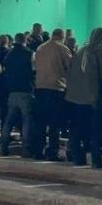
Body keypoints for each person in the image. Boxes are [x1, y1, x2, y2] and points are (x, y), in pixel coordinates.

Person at [64, 27, 102, 168]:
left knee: (77, 128)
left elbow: (71, 73)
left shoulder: (81, 51)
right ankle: (96, 159)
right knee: (95, 130)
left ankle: (78, 157)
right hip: (93, 97)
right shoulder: (99, 52)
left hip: (76, 96)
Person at [33, 28, 72, 160]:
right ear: (62, 36)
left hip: (40, 87)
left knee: (40, 122)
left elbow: (35, 66)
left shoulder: (40, 48)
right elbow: (70, 67)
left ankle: (38, 150)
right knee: (55, 123)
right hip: (56, 88)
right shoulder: (62, 48)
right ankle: (52, 152)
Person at [0, 32, 36, 156]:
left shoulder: (9, 54)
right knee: (27, 120)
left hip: (12, 91)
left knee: (9, 121)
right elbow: (34, 71)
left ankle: (3, 147)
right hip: (26, 90)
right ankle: (26, 149)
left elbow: (5, 69)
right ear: (25, 40)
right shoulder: (29, 53)